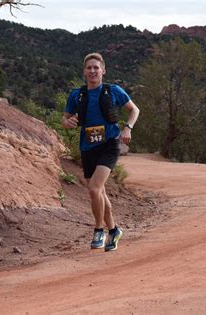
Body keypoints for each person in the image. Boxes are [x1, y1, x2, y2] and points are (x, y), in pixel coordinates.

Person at [62, 53, 140, 252]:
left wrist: (128, 127)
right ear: (84, 71)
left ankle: (99, 230)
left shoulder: (113, 91)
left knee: (94, 189)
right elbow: (66, 119)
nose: (93, 71)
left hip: (110, 145)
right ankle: (114, 231)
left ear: (103, 70)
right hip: (87, 146)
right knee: (100, 192)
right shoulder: (76, 95)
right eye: (89, 68)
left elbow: (134, 110)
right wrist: (68, 122)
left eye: (96, 67)